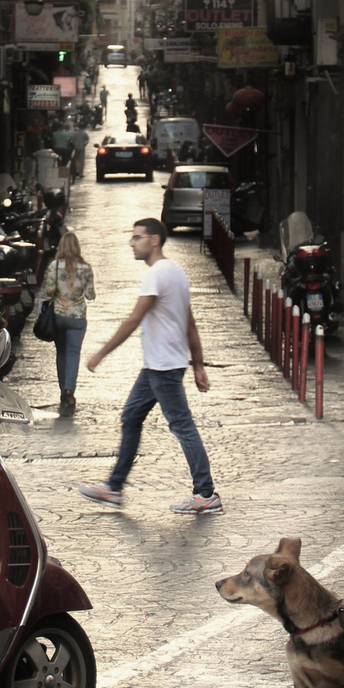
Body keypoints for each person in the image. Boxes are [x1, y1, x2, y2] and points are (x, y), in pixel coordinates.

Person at [79, 219, 220, 514]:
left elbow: (134, 320)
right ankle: (114, 489)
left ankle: (205, 493)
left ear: (154, 240)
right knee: (131, 417)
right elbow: (190, 324)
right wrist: (198, 365)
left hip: (163, 367)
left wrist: (101, 353)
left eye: (137, 238)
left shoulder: (157, 274)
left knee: (182, 426)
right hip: (159, 366)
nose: (132, 243)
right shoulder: (177, 274)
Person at [40, 231, 95, 415]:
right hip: (78, 316)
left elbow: (49, 291)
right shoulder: (86, 268)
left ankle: (62, 389)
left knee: (61, 353)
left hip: (59, 315)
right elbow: (90, 295)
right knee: (73, 353)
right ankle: (70, 391)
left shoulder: (55, 266)